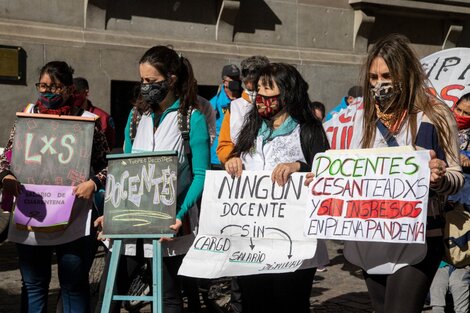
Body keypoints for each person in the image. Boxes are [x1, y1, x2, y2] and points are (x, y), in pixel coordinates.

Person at [325, 33, 462, 313]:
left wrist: (440, 177)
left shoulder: (435, 113)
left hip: (420, 234)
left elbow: (456, 175)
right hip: (374, 233)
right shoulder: (363, 116)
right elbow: (354, 167)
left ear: (405, 73)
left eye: (387, 75)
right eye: (374, 78)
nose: (379, 84)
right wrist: (329, 180)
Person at [97, 45, 210, 313]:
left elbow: (201, 174)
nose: (145, 87)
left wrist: (180, 215)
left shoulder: (191, 119)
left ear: (171, 79)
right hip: (129, 223)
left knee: (168, 296)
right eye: (142, 81)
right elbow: (123, 169)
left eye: (152, 81)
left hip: (169, 224)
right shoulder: (137, 117)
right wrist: (111, 212)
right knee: (108, 293)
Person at [0, 61, 109, 313]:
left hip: (73, 213)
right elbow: (7, 155)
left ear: (70, 89)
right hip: (32, 210)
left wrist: (94, 182)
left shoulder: (87, 122)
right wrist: (6, 176)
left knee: (73, 284)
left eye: (55, 88)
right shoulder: (27, 117)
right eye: (43, 86)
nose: (47, 92)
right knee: (34, 284)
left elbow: (108, 165)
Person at [224, 63, 330, 313]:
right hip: (253, 240)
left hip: (294, 242)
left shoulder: (309, 130)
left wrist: (299, 167)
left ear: (286, 93)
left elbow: (327, 174)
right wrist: (233, 160)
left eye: (267, 88)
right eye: (258, 88)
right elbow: (237, 158)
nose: (260, 95)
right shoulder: (252, 128)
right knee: (253, 303)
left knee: (289, 304)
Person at [429, 92, 470, 313]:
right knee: (443, 254)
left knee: (461, 253)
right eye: (459, 110)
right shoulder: (443, 127)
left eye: (467, 114)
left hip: (466, 205)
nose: (461, 115)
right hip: (444, 202)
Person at [216, 55, 270, 164]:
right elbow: (224, 145)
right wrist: (232, 159)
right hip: (244, 174)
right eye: (247, 75)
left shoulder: (277, 104)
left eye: (255, 75)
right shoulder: (234, 107)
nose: (250, 80)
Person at [210, 64, 241, 169]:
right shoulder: (214, 103)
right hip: (218, 159)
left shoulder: (245, 98)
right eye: (232, 79)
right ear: (224, 82)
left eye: (237, 78)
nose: (236, 81)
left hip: (240, 157)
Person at [73, 77, 116, 149]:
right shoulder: (66, 114)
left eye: (76, 92)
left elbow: (108, 146)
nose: (73, 96)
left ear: (86, 92)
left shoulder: (103, 117)